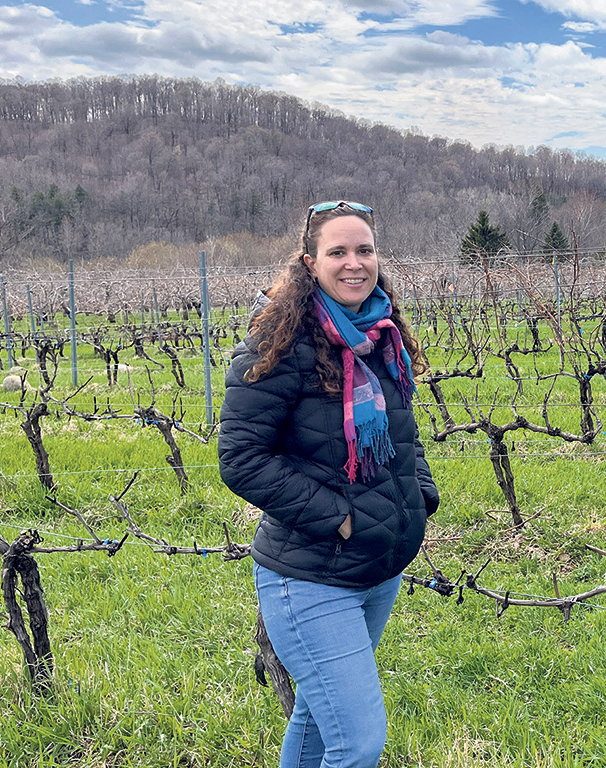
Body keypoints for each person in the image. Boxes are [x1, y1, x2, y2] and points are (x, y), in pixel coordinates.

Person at [219, 200, 439, 768]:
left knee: (318, 718)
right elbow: (241, 458)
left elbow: (403, 434)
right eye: (337, 251)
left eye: (363, 250)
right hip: (311, 576)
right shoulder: (275, 347)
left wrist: (418, 497)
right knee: (359, 742)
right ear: (310, 263)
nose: (353, 263)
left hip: (377, 568)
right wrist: (341, 519)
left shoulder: (381, 337)